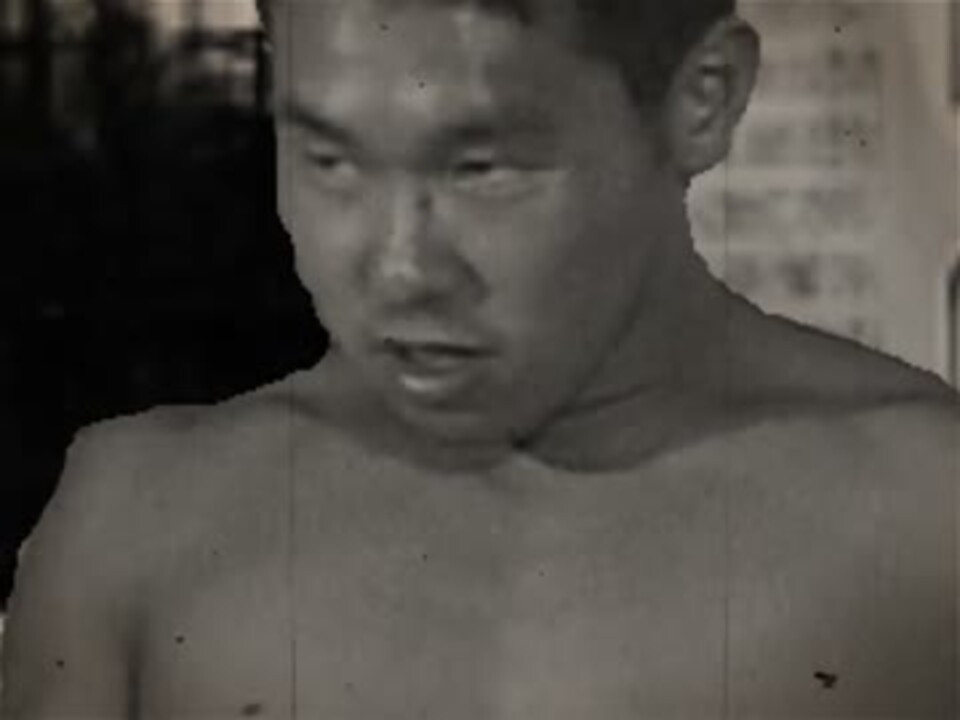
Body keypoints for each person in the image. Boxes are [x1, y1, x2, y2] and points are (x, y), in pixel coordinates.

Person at [3, 0, 959, 717]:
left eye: (480, 170)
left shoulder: (928, 513)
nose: (401, 268)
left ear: (703, 98)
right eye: (330, 160)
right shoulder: (137, 524)